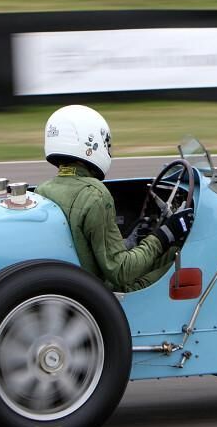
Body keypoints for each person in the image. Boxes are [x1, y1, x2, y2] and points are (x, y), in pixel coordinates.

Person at [34, 105, 192, 292]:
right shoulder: (95, 195)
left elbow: (86, 248)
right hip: (103, 293)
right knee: (179, 254)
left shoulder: (42, 189)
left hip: (74, 286)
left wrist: (130, 242)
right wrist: (165, 234)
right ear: (90, 143)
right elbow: (121, 271)